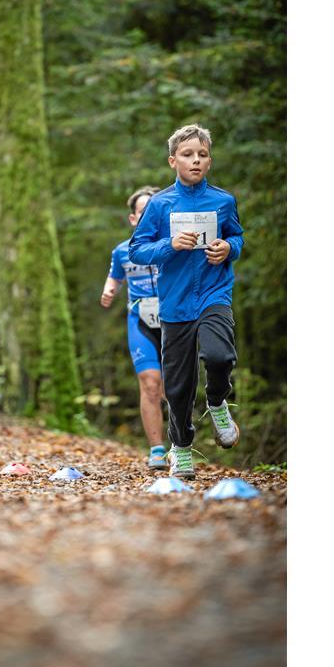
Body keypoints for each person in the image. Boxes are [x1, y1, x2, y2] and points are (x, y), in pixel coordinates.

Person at [128, 124, 244, 480]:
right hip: (176, 303)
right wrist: (169, 245)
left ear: (209, 162)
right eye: (187, 154)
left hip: (214, 294)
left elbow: (236, 237)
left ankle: (217, 402)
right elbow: (137, 248)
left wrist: (228, 248)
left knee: (220, 355)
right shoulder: (161, 204)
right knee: (177, 387)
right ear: (172, 161)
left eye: (202, 155)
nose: (195, 160)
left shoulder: (223, 202)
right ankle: (180, 447)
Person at [100, 187, 168, 470]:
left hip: (173, 320)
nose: (147, 216)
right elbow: (114, 278)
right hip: (139, 320)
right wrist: (109, 291)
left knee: (172, 388)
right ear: (133, 219)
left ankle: (182, 445)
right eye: (143, 212)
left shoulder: (173, 245)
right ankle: (157, 450)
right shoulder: (122, 251)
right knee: (150, 384)